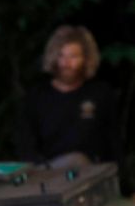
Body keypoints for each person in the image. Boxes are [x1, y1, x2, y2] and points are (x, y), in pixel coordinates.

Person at [15, 25, 121, 169]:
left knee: (78, 160)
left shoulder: (100, 94)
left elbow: (113, 142)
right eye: (61, 55)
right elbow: (26, 145)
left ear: (86, 59)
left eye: (73, 57)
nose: (66, 63)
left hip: (91, 174)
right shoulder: (37, 96)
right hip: (49, 174)